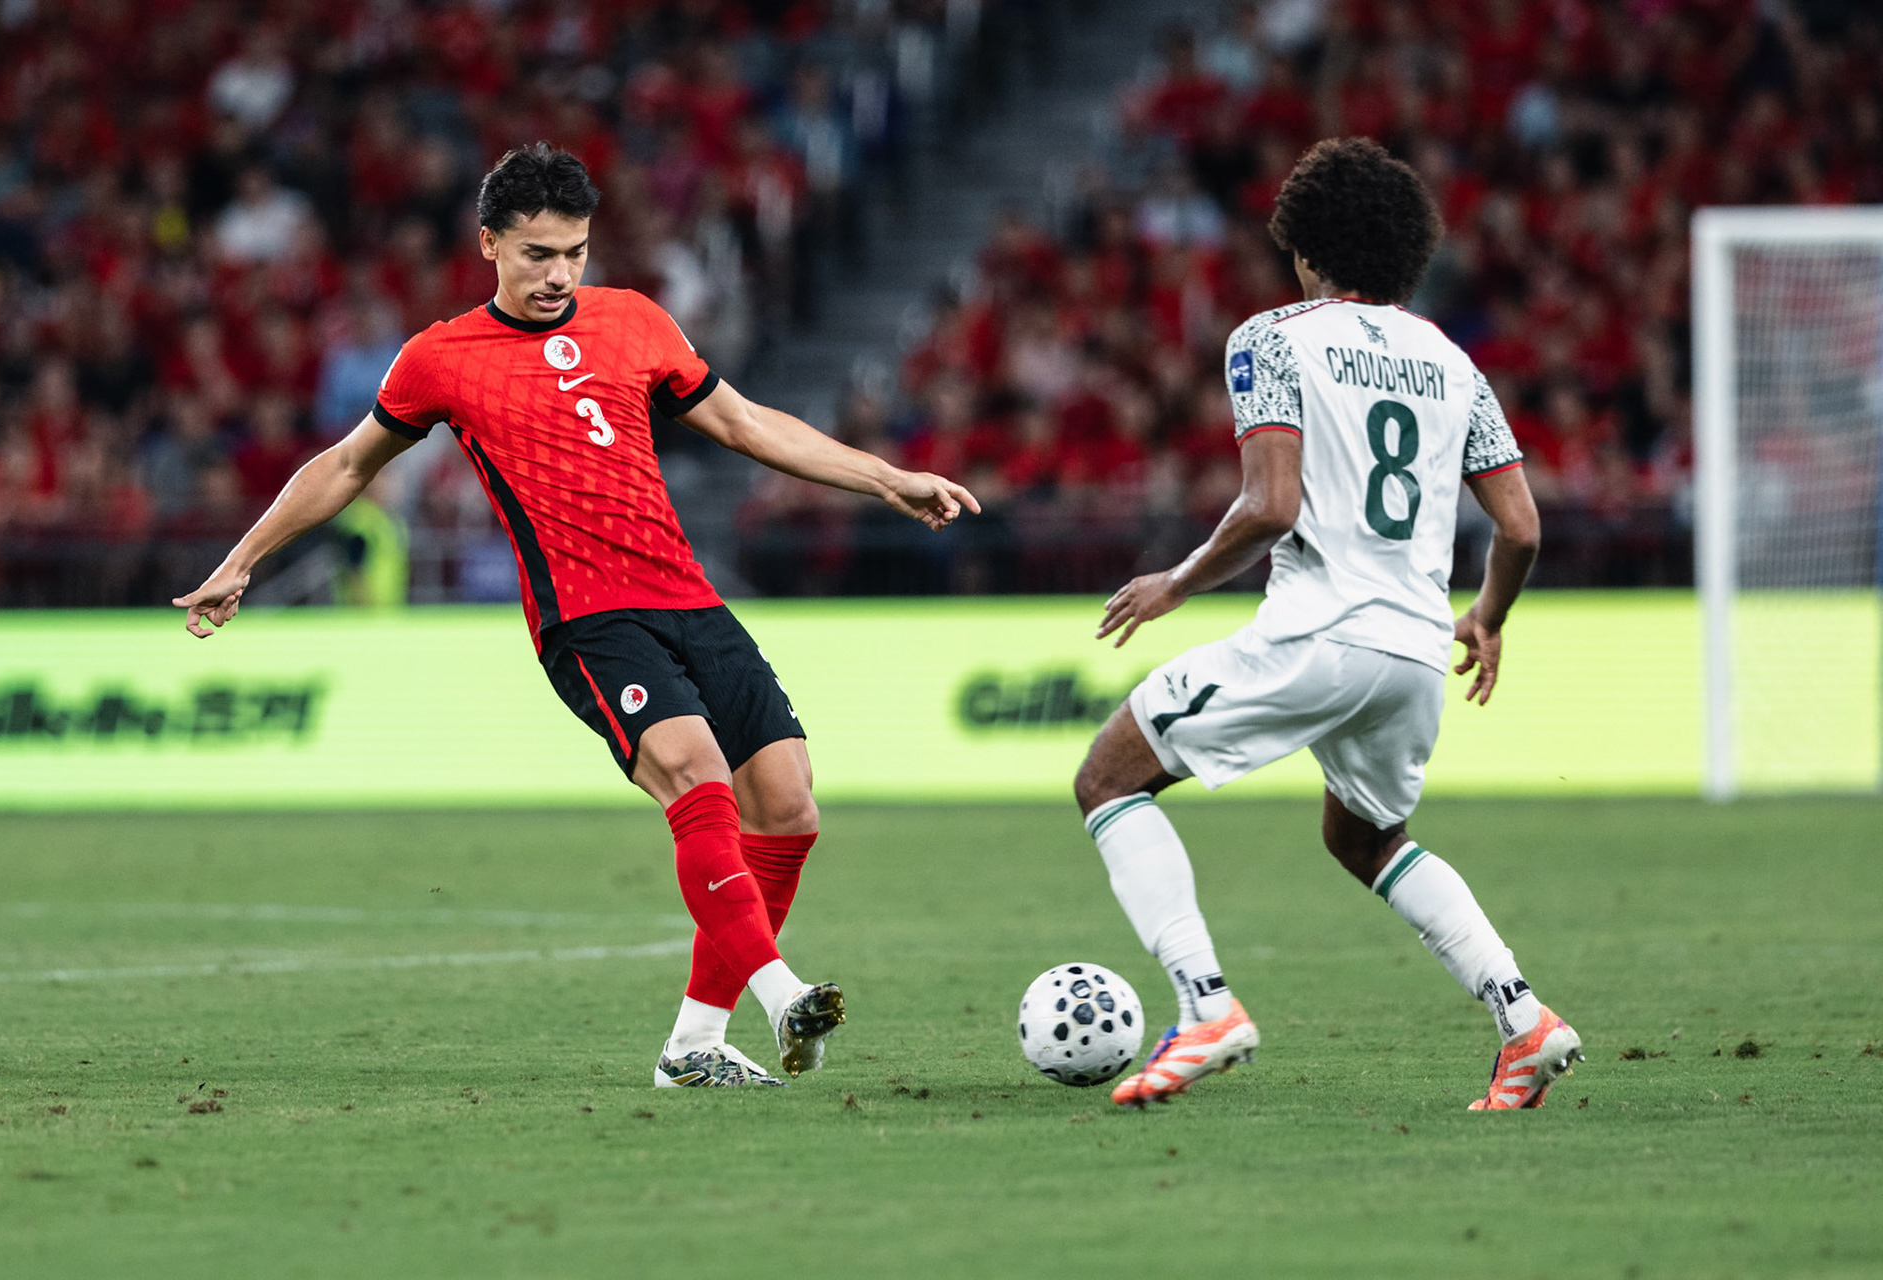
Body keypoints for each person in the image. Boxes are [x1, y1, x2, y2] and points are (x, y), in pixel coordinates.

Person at [175, 143, 979, 1088]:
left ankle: (691, 1047)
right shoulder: (440, 358)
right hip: (587, 620)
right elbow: (347, 466)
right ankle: (778, 996)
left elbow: (748, 424)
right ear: (490, 246)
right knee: (693, 773)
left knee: (789, 808)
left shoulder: (635, 323)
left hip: (689, 597)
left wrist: (885, 478)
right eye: (537, 254)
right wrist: (243, 561)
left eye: (575, 253)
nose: (559, 274)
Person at [1071, 138, 1581, 1111]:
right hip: (1414, 649)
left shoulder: (1272, 337)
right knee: (1366, 834)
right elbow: (1520, 525)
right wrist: (1487, 614)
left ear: (1305, 247)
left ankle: (1206, 1004)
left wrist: (1178, 581)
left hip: (1319, 632)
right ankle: (1525, 1022)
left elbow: (1270, 505)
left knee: (1106, 777)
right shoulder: (1453, 362)